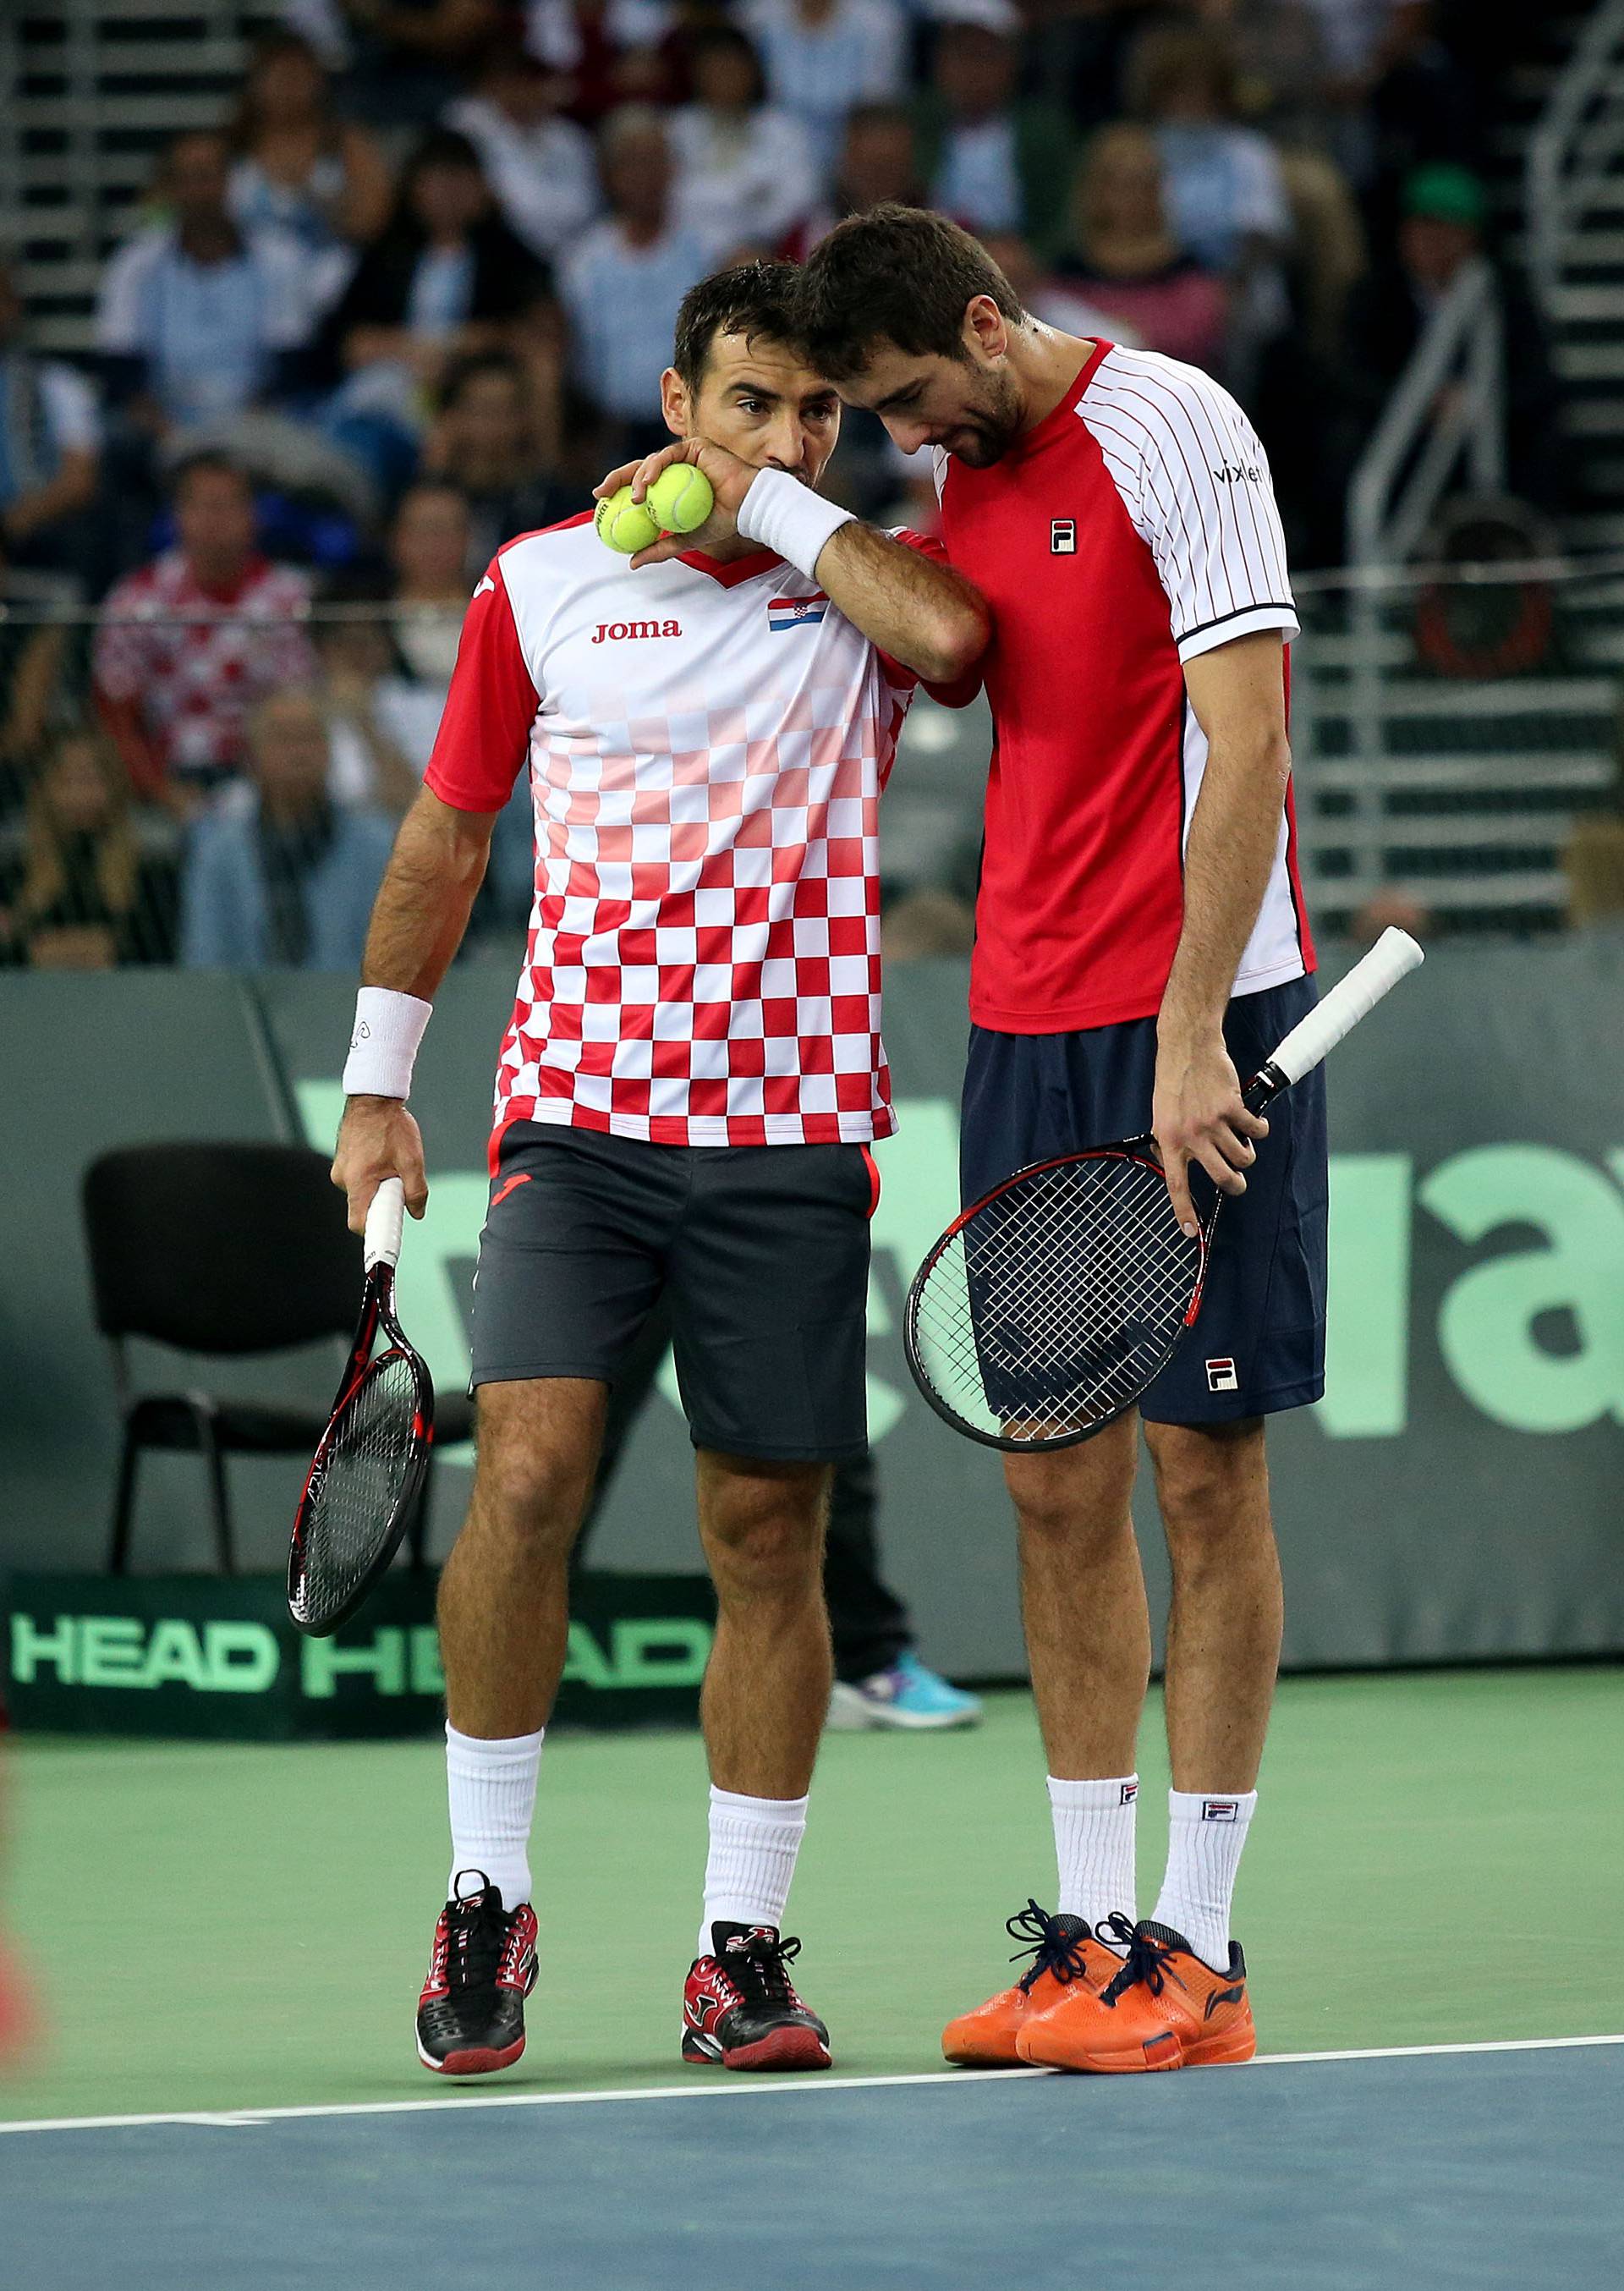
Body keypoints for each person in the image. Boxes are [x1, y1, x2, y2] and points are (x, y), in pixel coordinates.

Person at [328, 258, 989, 2079]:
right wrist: (381, 1083)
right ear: (675, 401)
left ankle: (740, 1948)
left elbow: (956, 646)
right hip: (577, 1126)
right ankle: (485, 1895)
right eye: (753, 402)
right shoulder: (541, 582)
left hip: (786, 1137)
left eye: (821, 411)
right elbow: (451, 831)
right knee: (527, 1475)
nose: (793, 434)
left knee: (765, 1537)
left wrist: (782, 506)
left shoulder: (853, 591)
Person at [798, 206, 1322, 2073]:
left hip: (1202, 1013)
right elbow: (947, 648)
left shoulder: (1178, 425)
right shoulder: (965, 484)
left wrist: (1197, 1034)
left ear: (987, 322)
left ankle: (1200, 1942)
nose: (914, 437)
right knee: (1049, 1480)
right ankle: (1093, 1934)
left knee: (1206, 1471)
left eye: (917, 397)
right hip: (1024, 1018)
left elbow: (1249, 738)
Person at [315, 128, 555, 490]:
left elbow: (536, 328)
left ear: (481, 190)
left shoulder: (506, 254)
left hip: (468, 381)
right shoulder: (386, 253)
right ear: (414, 189)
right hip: (395, 380)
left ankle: (542, 488)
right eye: (437, 183)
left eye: (459, 183)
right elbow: (346, 339)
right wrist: (410, 352)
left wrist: (466, 346)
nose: (448, 195)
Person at [93, 453, 316, 809]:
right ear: (178, 517)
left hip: (265, 777)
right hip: (168, 771)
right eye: (201, 506)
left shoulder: (289, 597)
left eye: (227, 506)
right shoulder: (136, 598)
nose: (214, 520)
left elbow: (299, 703)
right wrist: (160, 790)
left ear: (253, 517)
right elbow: (116, 714)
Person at [96, 131, 315, 437]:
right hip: (164, 425)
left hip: (257, 423)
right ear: (169, 188)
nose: (201, 191)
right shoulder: (135, 264)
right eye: (188, 178)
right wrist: (168, 432)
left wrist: (242, 432)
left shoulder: (280, 258)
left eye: (210, 176)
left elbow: (290, 368)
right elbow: (122, 370)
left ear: (231, 181)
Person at [180, 685, 394, 966]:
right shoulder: (218, 851)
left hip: (350, 1005)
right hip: (241, 1005)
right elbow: (204, 959)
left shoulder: (377, 846)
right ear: (252, 756)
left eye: (309, 739)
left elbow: (393, 959)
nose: (298, 754)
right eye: (283, 739)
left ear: (330, 752)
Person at [557, 108, 711, 455]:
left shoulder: (706, 248)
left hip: (692, 425)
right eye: (632, 163)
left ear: (673, 169)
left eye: (655, 161)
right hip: (606, 426)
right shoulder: (581, 260)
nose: (645, 175)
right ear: (609, 175)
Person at [226, 28, 394, 313]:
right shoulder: (229, 148)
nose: (289, 86)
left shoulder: (347, 143)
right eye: (279, 76)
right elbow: (166, 216)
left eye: (299, 76)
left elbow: (376, 222)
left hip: (333, 300)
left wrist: (329, 207)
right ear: (255, 84)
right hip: (248, 298)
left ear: (319, 82)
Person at [0, 728, 178, 970]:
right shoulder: (13, 856)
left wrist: (105, 951)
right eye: (67, 781)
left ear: (114, 786)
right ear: (44, 787)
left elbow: (162, 951)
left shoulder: (151, 855)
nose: (79, 795)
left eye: (91, 780)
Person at [1058, 122, 1229, 371]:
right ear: (1092, 188)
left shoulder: (1189, 274)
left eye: (1143, 181)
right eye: (1116, 181)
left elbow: (1196, 339)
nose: (1131, 194)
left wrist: (1129, 333)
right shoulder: (1065, 273)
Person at [913, 22, 1078, 262]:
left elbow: (1064, 215)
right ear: (940, 63)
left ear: (1011, 65)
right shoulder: (919, 126)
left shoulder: (1042, 132)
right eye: (962, 57)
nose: (972, 71)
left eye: (984, 57)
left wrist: (1035, 256)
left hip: (1018, 267)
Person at [668, 26, 821, 262]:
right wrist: (747, 195)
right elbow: (674, 201)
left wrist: (749, 239)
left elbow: (799, 198)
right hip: (691, 253)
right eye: (715, 70)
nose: (724, 79)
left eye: (731, 69)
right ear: (698, 75)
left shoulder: (784, 130)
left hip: (765, 251)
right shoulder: (678, 130)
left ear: (752, 71)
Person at [442, 39, 601, 264]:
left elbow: (583, 208)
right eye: (507, 82)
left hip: (570, 252)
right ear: (489, 86)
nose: (518, 92)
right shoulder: (470, 123)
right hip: (496, 250)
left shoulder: (570, 139)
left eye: (526, 82)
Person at [421, 349, 579, 567]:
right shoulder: (425, 499)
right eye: (480, 410)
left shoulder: (545, 503)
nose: (492, 424)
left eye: (503, 410)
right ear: (453, 416)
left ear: (523, 419)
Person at [0, 260, 102, 581]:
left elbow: (79, 479)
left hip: (30, 528)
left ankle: (56, 629)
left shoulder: (58, 384)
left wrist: (12, 524)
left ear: (13, 308)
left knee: (83, 537)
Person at [741, 0, 908, 174]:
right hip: (774, 153)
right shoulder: (756, 17)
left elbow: (878, 106)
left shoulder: (878, 21)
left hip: (852, 155)